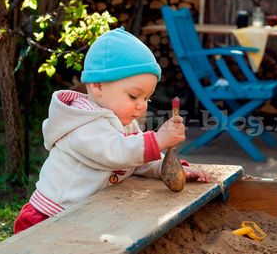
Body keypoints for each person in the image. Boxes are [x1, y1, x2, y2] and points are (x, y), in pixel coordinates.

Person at [14, 27, 211, 234]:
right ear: (98, 87)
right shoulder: (83, 124)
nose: (142, 105)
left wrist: (166, 167)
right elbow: (117, 152)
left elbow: (134, 161)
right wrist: (157, 140)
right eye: (134, 96)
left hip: (87, 214)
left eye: (147, 98)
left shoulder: (124, 121)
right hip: (52, 217)